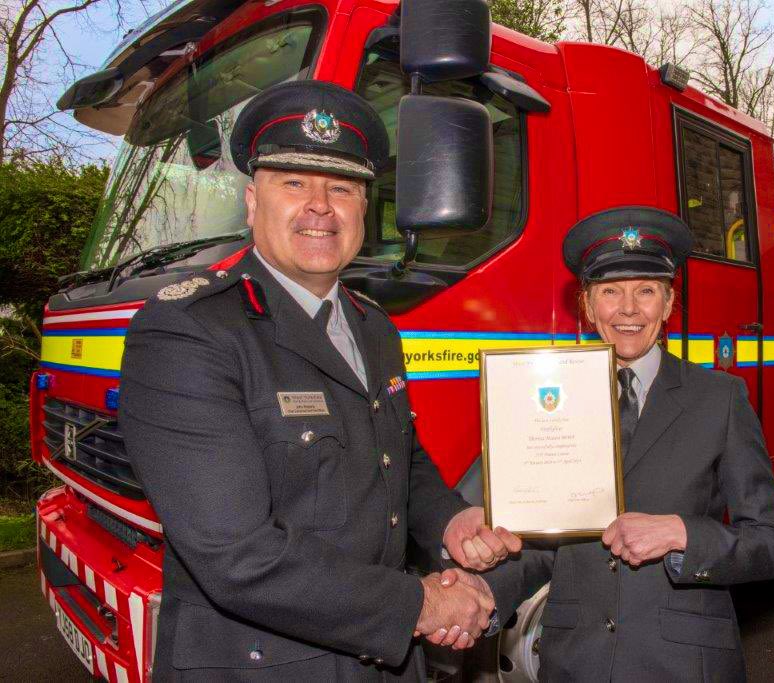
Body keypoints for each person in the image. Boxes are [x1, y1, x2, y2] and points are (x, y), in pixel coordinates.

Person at [119, 80, 519, 681]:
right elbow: (237, 556)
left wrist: (449, 521)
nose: (320, 206)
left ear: (365, 208)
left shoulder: (374, 326)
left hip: (380, 658)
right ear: (254, 202)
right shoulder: (188, 331)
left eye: (342, 187)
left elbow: (399, 459)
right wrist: (423, 603)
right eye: (295, 183)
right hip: (262, 664)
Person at [475, 206, 774, 682]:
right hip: (574, 663)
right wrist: (476, 595)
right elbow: (541, 545)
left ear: (667, 305)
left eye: (646, 291)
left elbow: (772, 545)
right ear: (586, 305)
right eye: (610, 292)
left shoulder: (720, 399)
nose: (628, 309)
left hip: (683, 665)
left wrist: (683, 534)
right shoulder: (549, 401)